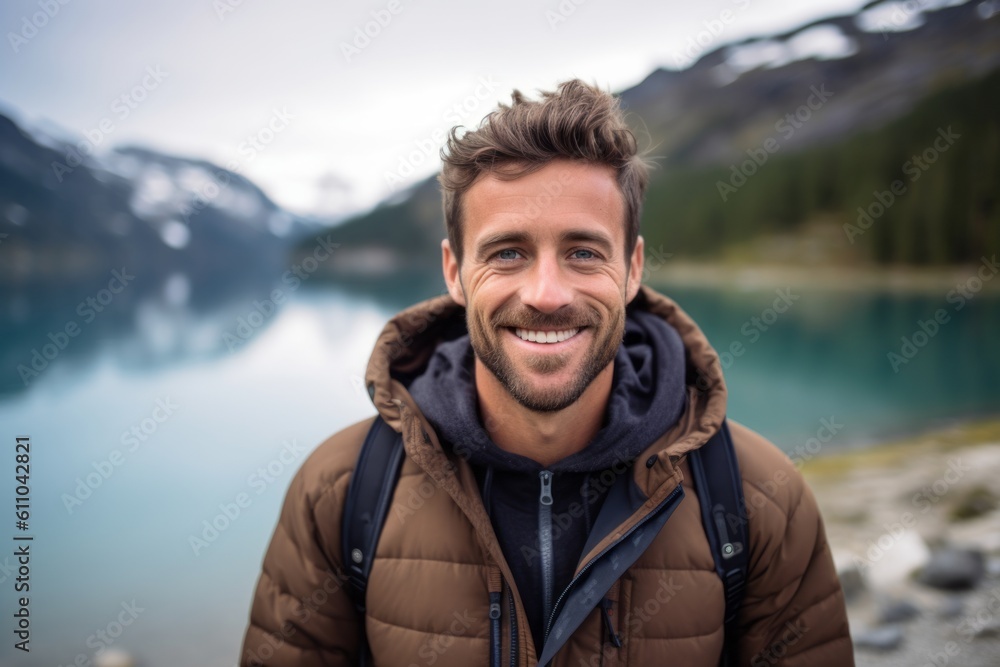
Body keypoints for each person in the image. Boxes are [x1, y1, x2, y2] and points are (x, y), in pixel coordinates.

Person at [239, 79, 854, 666]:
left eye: (583, 252)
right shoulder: (343, 491)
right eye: (508, 253)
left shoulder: (757, 498)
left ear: (633, 268)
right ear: (454, 272)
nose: (547, 294)